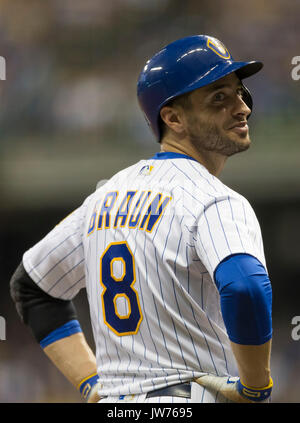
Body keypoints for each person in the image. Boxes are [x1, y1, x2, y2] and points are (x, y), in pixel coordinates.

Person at [10, 34, 273, 403]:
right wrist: (256, 387)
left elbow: (32, 286)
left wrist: (90, 382)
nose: (242, 107)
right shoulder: (216, 201)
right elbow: (245, 287)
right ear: (173, 118)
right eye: (219, 98)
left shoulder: (104, 197)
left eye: (239, 92)